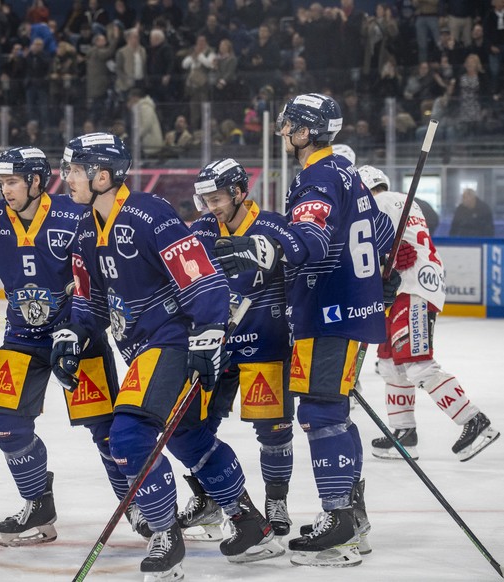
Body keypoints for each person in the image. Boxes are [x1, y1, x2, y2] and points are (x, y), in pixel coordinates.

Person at [55, 132, 282, 580]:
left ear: (103, 175)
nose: (67, 179)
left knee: (130, 435)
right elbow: (90, 300)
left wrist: (208, 335)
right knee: (189, 437)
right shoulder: (86, 229)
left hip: (171, 341)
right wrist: (71, 333)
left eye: (75, 170)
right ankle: (249, 522)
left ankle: (164, 533)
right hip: (138, 347)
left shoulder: (148, 213)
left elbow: (201, 277)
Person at [0, 146, 142, 547]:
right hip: (21, 339)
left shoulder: (75, 214)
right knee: (7, 426)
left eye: (12, 181)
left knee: (106, 430)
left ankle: (137, 506)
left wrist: (79, 326)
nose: (4, 189)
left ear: (36, 181)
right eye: (1, 182)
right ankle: (38, 504)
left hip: (78, 336)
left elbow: (100, 275)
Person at [212, 94, 395, 567]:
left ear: (310, 130)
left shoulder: (316, 174)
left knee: (319, 414)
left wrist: (262, 245)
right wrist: (377, 275)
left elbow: (309, 240)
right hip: (352, 308)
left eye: (292, 123)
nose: (285, 129)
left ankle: (339, 526)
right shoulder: (349, 173)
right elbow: (380, 235)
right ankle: (354, 519)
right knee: (334, 411)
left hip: (328, 311)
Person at [357, 165, 500, 462]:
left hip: (411, 290)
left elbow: (365, 246)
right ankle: (404, 433)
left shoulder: (378, 203)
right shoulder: (407, 203)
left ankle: (474, 421)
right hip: (407, 288)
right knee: (389, 362)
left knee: (416, 364)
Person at [185, 158, 295, 543]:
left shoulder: (274, 226)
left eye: (216, 198)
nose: (210, 207)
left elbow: (305, 270)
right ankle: (209, 497)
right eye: (205, 200)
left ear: (238, 192)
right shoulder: (200, 230)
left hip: (265, 343)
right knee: (195, 426)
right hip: (215, 345)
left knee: (274, 430)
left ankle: (277, 502)